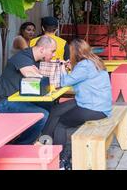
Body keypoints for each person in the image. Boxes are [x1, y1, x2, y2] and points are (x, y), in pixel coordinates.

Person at [42, 39, 112, 170]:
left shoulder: (84, 65)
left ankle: (61, 160)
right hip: (96, 103)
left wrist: (62, 67)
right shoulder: (94, 61)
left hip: (93, 107)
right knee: (56, 110)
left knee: (60, 123)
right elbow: (76, 79)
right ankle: (45, 142)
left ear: (75, 52)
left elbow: (64, 81)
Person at [0, 36, 57, 144]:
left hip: (21, 99)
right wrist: (38, 74)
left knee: (51, 106)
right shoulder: (22, 57)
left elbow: (42, 77)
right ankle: (21, 144)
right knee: (42, 115)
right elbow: (30, 74)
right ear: (42, 49)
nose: (54, 54)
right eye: (53, 51)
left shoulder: (34, 59)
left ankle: (42, 139)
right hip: (5, 102)